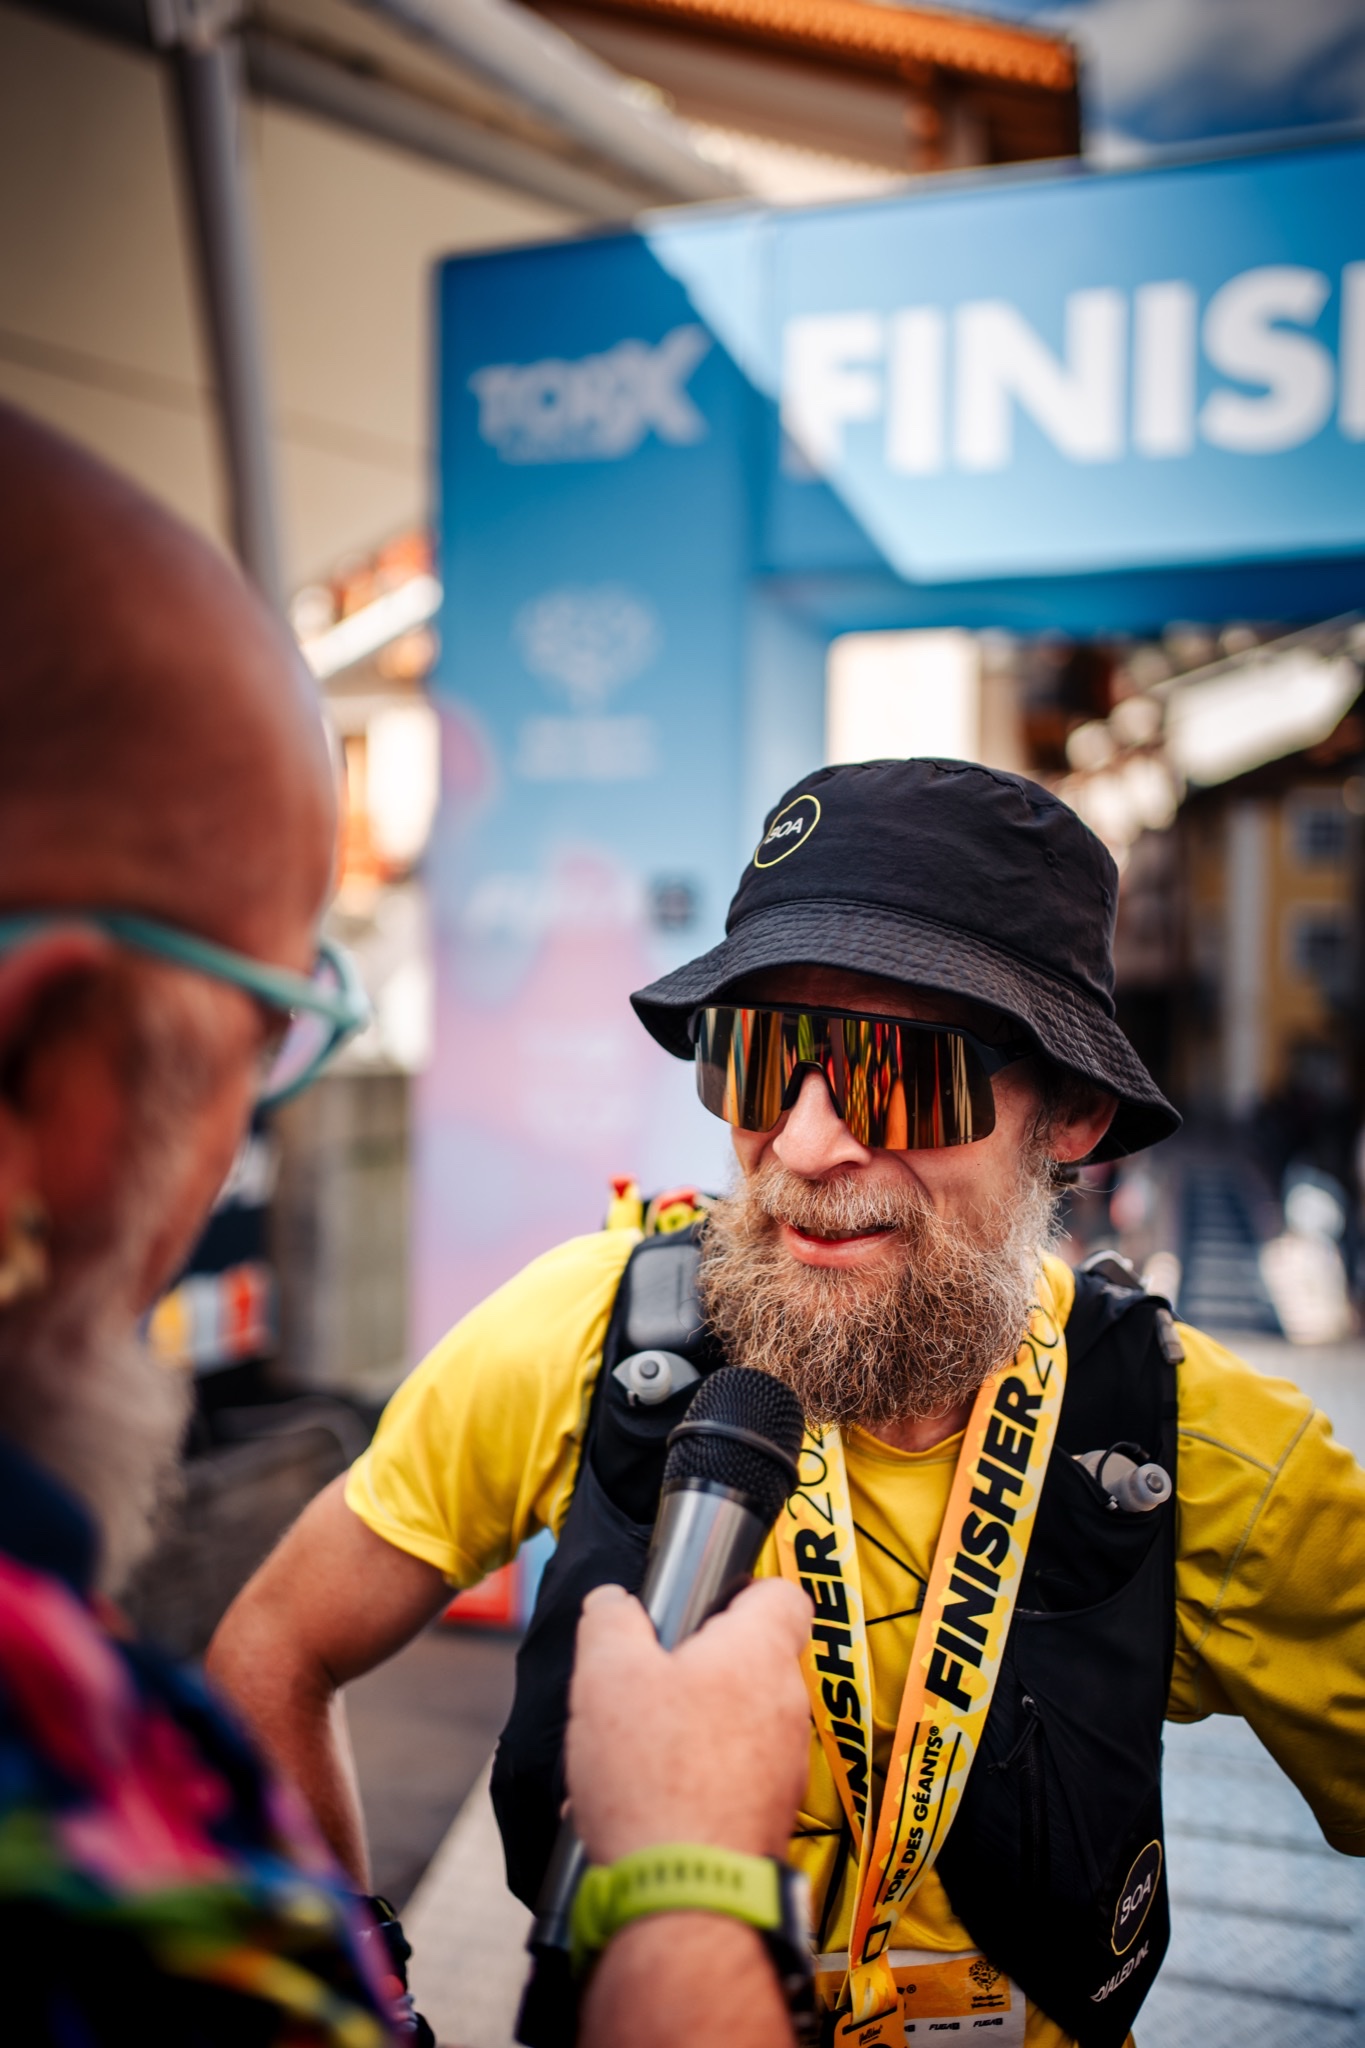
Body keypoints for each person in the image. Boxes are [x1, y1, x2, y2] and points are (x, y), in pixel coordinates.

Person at [212, 755, 1365, 2047]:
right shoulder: (589, 1336)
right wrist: (347, 2006)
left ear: (1071, 1114)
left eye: (901, 1076)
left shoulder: (1196, 1453)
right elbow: (267, 1653)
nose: (808, 1148)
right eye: (762, 1061)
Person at [0, 401, 813, 2047]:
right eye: (262, 1030)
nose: (812, 1135)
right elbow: (277, 1649)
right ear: (38, 1078)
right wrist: (678, 1875)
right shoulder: (107, 1829)